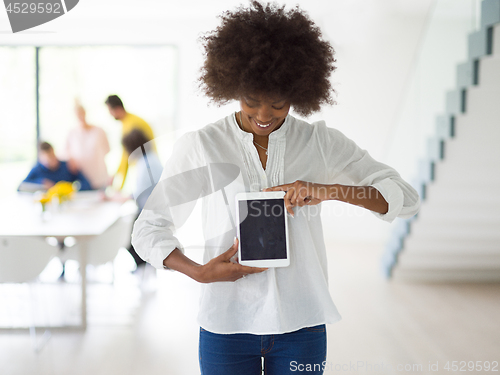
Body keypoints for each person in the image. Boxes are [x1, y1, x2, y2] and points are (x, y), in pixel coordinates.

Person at [131, 2, 420, 374]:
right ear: (232, 86)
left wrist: (327, 190)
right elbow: (148, 227)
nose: (264, 115)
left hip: (302, 324)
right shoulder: (202, 145)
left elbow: (405, 197)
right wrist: (198, 272)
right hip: (226, 325)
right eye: (252, 101)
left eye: (278, 104)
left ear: (298, 93)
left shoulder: (320, 142)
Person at [121, 129, 163, 268]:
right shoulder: (150, 158)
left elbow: (138, 194)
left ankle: (142, 265)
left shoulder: (146, 164)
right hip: (154, 209)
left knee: (126, 234)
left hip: (150, 211)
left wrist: (116, 198)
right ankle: (143, 265)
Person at [105, 95, 155, 189]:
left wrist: (118, 188)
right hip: (147, 166)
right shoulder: (129, 121)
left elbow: (126, 157)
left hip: (146, 169)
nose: (110, 114)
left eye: (110, 111)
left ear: (118, 109)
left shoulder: (131, 125)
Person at [65, 102, 110, 190]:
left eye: (81, 113)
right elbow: (66, 152)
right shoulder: (72, 133)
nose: (80, 116)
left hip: (99, 175)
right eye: (77, 114)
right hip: (82, 178)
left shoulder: (99, 130)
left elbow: (107, 149)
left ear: (85, 113)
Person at [19, 141, 92, 192]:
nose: (51, 160)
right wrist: (41, 183)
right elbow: (21, 187)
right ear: (41, 159)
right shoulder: (37, 169)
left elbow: (87, 184)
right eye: (47, 159)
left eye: (52, 156)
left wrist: (71, 189)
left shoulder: (67, 166)